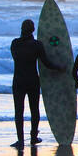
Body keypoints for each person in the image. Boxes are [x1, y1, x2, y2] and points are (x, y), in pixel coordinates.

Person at [10, 18, 63, 147]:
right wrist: (60, 67)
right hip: (32, 80)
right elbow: (46, 63)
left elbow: (16, 57)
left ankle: (20, 140)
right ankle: (33, 137)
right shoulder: (37, 45)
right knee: (34, 110)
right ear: (33, 30)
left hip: (18, 80)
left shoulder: (15, 44)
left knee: (18, 111)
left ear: (21, 29)